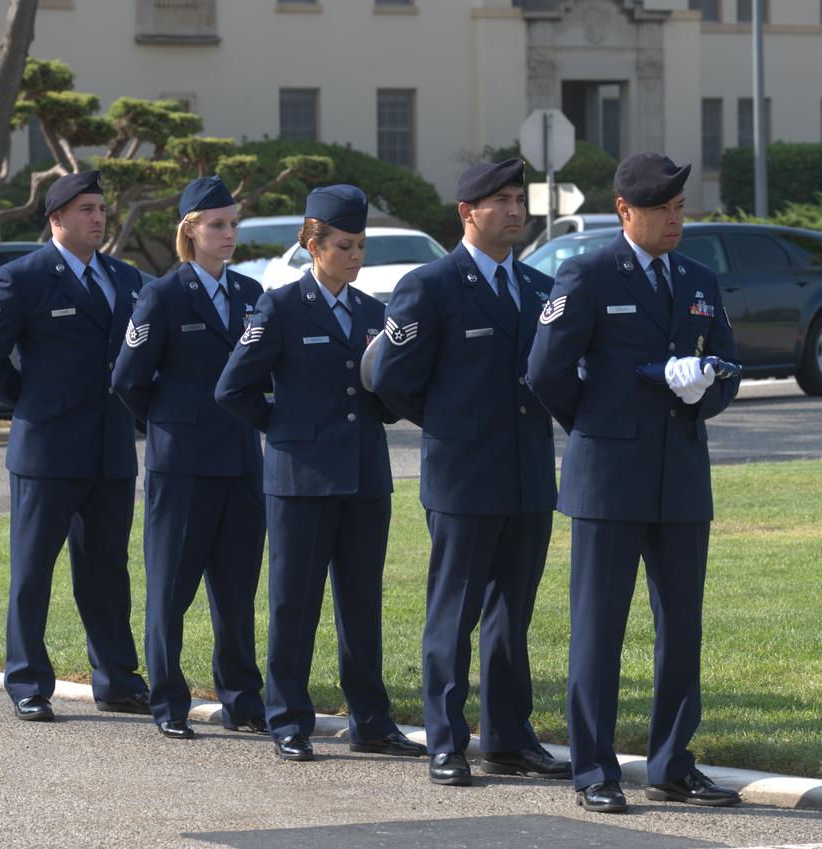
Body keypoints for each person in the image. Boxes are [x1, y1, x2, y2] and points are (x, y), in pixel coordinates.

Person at [526, 152, 743, 813]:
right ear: (625, 211)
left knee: (682, 626)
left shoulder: (699, 278)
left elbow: (726, 365)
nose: (675, 220)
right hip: (608, 477)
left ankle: (674, 762)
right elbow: (546, 372)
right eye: (661, 210)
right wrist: (595, 425)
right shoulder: (587, 273)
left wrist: (701, 391)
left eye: (680, 209)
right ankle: (595, 769)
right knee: (600, 628)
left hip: (680, 473)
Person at [371, 159, 571, 787]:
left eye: (518, 200)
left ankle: (509, 738)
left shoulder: (540, 286)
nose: (514, 211)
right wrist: (450, 422)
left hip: (527, 473)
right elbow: (390, 379)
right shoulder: (431, 284)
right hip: (463, 475)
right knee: (453, 613)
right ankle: (446, 741)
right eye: (500, 202)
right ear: (467, 213)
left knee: (514, 612)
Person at [213, 185, 425, 763]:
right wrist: (283, 427)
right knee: (294, 604)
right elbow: (233, 388)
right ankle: (288, 719)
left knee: (361, 604)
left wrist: (393, 401)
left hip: (363, 478)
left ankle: (372, 721)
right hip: (300, 481)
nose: (355, 256)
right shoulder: (279, 306)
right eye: (343, 246)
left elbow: (385, 393)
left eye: (360, 246)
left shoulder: (371, 312)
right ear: (312, 244)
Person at [0, 170, 150, 722]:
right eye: (86, 209)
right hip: (47, 450)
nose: (98, 219)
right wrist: (28, 401)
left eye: (102, 210)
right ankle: (27, 682)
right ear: (57, 218)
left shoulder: (126, 278)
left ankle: (116, 680)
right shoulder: (22, 278)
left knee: (107, 569)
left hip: (110, 448)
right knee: (34, 569)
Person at [110, 175, 268, 740]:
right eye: (217, 225)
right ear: (191, 232)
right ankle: (168, 700)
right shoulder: (163, 294)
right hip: (182, 466)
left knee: (236, 590)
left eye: (233, 224)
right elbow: (128, 380)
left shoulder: (252, 293)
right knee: (171, 590)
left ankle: (243, 699)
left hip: (242, 464)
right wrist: (169, 423)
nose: (228, 234)